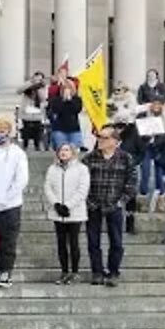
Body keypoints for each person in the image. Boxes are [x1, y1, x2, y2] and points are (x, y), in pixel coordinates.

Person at [81, 125, 137, 287]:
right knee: (93, 241)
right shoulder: (89, 158)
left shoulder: (126, 158)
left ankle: (113, 272)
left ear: (115, 141)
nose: (100, 140)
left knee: (116, 242)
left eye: (104, 137)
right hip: (94, 205)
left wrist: (122, 201)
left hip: (115, 205)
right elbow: (82, 182)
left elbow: (131, 182)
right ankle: (97, 272)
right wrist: (88, 201)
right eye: (99, 137)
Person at [0, 117, 29, 288]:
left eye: (3, 131)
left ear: (9, 132)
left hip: (10, 205)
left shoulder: (17, 153)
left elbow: (21, 179)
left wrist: (7, 197)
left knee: (8, 240)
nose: (0, 134)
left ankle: (6, 270)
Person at [44, 142, 90, 284]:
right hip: (58, 212)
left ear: (73, 152)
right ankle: (64, 271)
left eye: (66, 150)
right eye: (61, 150)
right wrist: (56, 204)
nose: (63, 152)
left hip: (75, 212)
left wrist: (68, 205)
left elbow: (82, 190)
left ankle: (75, 272)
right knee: (61, 243)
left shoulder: (82, 169)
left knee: (74, 242)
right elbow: (48, 187)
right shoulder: (52, 169)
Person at [48, 79, 84, 150]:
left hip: (74, 129)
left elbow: (76, 109)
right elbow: (56, 110)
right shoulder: (56, 100)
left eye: (69, 88)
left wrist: (70, 100)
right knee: (61, 150)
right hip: (59, 129)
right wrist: (64, 100)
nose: (67, 90)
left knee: (74, 150)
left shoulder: (77, 99)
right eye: (65, 88)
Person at [18, 72, 48, 150]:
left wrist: (38, 88)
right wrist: (31, 83)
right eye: (36, 78)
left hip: (37, 113)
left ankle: (37, 146)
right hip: (27, 112)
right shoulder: (27, 85)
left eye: (40, 79)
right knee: (26, 130)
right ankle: (25, 145)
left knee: (37, 131)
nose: (37, 80)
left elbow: (43, 98)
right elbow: (19, 90)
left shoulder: (43, 87)